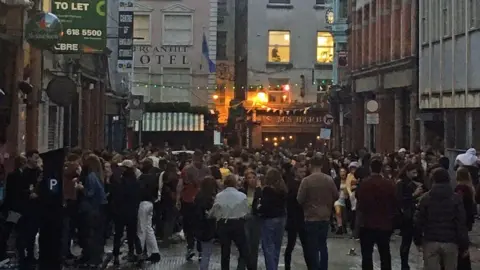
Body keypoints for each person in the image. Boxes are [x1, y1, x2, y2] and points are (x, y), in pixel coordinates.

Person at [414, 168, 469, 270]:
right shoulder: (456, 198)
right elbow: (461, 223)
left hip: (431, 240)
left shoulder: (425, 198)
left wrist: (417, 240)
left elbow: (418, 220)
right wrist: (464, 245)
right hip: (450, 241)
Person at [297, 156, 339, 270]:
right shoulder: (329, 180)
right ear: (321, 166)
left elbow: (299, 199)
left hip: (310, 217)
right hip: (325, 216)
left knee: (312, 248)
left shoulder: (306, 181)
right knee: (322, 245)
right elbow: (336, 195)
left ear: (311, 165)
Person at [356, 159, 397, 270]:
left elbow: (360, 202)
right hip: (384, 224)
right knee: (385, 253)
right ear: (381, 169)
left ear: (370, 169)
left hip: (367, 223)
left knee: (367, 254)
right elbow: (394, 202)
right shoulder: (389, 184)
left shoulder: (364, 184)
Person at [209, 174, 254, 270]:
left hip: (223, 224)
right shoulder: (242, 196)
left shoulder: (219, 196)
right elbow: (247, 211)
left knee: (225, 252)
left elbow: (214, 211)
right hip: (238, 224)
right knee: (244, 250)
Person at [177, 150, 211, 260]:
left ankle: (191, 247)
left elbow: (180, 185)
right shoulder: (206, 169)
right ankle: (200, 250)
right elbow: (210, 184)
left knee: (188, 226)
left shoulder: (186, 169)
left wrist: (178, 199)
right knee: (200, 225)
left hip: (188, 200)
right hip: (201, 200)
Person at [396, 163, 425, 270]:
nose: (415, 175)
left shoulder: (413, 183)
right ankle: (404, 265)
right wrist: (414, 195)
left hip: (414, 215)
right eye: (413, 172)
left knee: (415, 240)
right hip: (407, 217)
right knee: (406, 242)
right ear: (407, 172)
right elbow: (400, 200)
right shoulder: (401, 183)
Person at [257, 168, 287, 270]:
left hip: (269, 219)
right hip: (281, 218)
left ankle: (271, 268)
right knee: (277, 246)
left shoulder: (267, 190)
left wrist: (259, 209)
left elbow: (265, 206)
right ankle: (274, 266)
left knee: (268, 247)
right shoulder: (283, 190)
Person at [193, 176, 217, 270]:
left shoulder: (198, 196)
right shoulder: (210, 199)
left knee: (204, 253)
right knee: (206, 255)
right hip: (208, 229)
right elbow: (210, 214)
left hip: (199, 227)